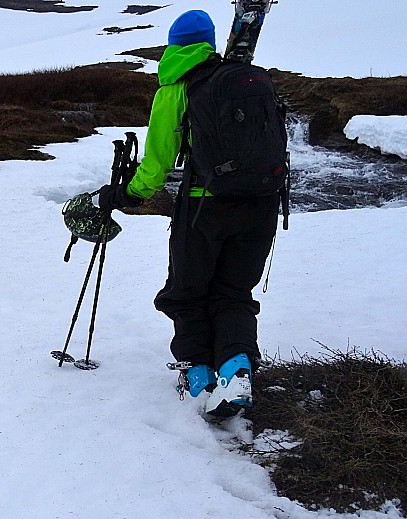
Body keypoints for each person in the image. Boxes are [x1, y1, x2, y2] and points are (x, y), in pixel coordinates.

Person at [98, 10, 281, 417]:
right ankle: (237, 372)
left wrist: (125, 195)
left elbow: (157, 165)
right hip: (262, 204)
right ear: (210, 41)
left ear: (173, 44)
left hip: (204, 207)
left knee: (188, 291)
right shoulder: (242, 78)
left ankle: (199, 375)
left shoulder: (178, 86)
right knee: (233, 292)